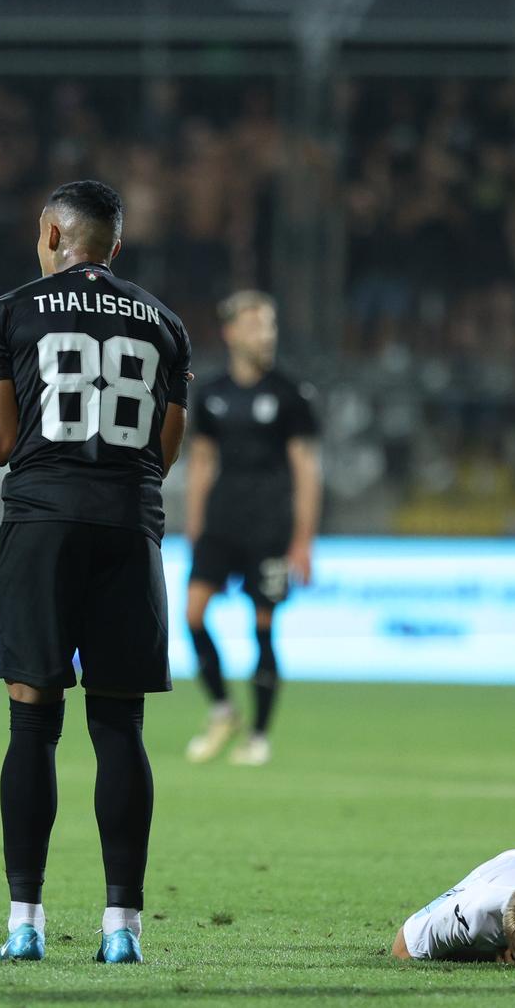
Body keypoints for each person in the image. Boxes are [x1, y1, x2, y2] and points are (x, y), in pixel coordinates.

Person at [0, 180, 191, 965]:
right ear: (114, 246)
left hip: (44, 524)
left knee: (32, 721)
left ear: (50, 233)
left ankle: (27, 922)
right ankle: (122, 930)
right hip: (127, 527)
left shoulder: (12, 311)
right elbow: (165, 451)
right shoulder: (167, 324)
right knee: (120, 728)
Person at [182, 291, 320, 767]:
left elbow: (305, 468)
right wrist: (195, 523)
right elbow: (201, 460)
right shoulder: (213, 393)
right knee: (193, 613)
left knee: (263, 625)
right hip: (222, 521)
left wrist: (303, 539)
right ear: (232, 333)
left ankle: (258, 734)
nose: (268, 335)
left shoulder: (289, 393)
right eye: (258, 326)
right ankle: (222, 709)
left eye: (271, 326)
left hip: (270, 527)